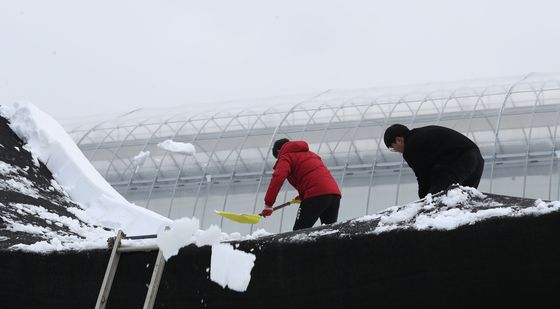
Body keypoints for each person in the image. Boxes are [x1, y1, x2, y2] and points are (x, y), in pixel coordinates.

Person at [383, 124, 484, 198]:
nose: (396, 151)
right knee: (464, 200)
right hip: (477, 159)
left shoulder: (411, 146)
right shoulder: (422, 135)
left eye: (392, 148)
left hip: (459, 161)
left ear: (399, 140)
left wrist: (424, 200)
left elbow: (423, 176)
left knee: (436, 199)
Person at [262, 138, 342, 230]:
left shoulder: (286, 157)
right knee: (329, 232)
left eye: (277, 157)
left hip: (316, 195)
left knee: (298, 233)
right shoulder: (312, 155)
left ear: (279, 151)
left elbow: (277, 178)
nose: (279, 160)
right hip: (334, 195)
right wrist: (303, 196)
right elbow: (313, 177)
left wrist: (268, 204)